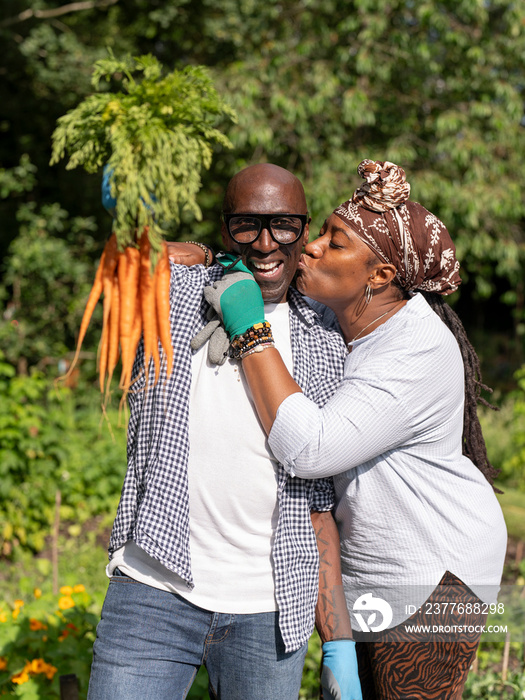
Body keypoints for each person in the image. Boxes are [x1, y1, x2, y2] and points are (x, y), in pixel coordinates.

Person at [202, 159, 508, 699]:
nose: (314, 247)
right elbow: (265, 254)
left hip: (432, 574)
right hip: (379, 569)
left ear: (381, 276)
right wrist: (206, 256)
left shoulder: (413, 347)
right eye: (319, 233)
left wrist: (250, 330)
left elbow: (311, 448)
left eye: (335, 242)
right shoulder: (343, 321)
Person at [87, 163, 362, 700]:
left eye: (283, 225)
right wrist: (134, 222)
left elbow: (316, 500)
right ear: (224, 228)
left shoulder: (327, 335)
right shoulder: (179, 296)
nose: (265, 243)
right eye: (246, 225)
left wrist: (338, 642)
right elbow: (133, 264)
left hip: (270, 604)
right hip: (153, 589)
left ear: (304, 231)